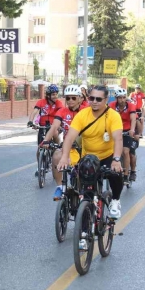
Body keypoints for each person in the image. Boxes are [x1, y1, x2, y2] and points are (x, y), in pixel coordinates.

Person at [57, 86, 124, 219]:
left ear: (106, 100)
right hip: (88, 157)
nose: (94, 101)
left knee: (116, 174)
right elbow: (70, 137)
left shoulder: (113, 116)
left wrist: (116, 160)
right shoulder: (82, 115)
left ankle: (115, 201)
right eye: (91, 98)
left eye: (98, 99)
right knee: (87, 195)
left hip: (107, 155)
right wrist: (64, 157)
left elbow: (118, 138)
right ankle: (84, 232)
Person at [41, 85, 85, 200]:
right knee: (56, 156)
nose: (70, 100)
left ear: (80, 98)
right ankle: (61, 187)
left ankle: (83, 192)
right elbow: (54, 126)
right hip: (68, 146)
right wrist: (46, 140)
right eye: (68, 98)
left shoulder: (86, 112)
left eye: (73, 98)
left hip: (85, 146)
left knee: (83, 169)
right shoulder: (62, 111)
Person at [28, 84, 63, 176]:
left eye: (56, 94)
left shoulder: (58, 103)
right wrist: (31, 121)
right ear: (48, 95)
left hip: (54, 126)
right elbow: (34, 112)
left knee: (55, 133)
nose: (55, 96)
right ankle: (39, 167)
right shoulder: (41, 102)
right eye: (53, 94)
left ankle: (57, 147)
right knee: (40, 148)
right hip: (42, 126)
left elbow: (61, 114)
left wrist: (60, 125)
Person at [109, 88, 138, 182]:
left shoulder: (131, 106)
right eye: (120, 98)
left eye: (124, 97)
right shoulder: (111, 106)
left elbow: (133, 119)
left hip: (127, 131)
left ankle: (126, 175)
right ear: (116, 98)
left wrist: (132, 130)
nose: (122, 100)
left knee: (126, 152)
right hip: (115, 131)